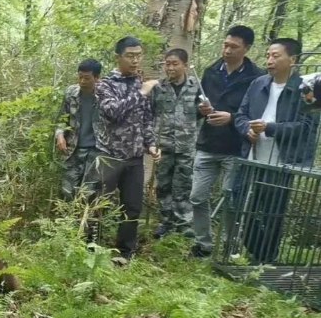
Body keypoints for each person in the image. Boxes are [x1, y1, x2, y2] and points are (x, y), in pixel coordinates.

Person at [233, 38, 318, 263]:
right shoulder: (258, 83)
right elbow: (241, 115)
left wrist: (270, 128)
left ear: (293, 59)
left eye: (276, 56)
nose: (269, 60)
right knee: (238, 202)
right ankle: (260, 253)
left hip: (282, 161)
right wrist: (246, 130)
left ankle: (265, 259)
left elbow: (307, 127)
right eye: (268, 55)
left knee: (272, 212)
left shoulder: (306, 89)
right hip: (251, 156)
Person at [189, 26, 265, 258]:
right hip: (208, 144)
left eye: (234, 47)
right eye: (225, 45)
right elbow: (197, 104)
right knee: (197, 197)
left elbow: (257, 113)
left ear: (247, 48)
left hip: (236, 146)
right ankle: (203, 244)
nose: (227, 50)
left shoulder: (257, 77)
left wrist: (231, 118)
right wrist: (201, 108)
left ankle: (228, 247)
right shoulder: (211, 71)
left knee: (231, 198)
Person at [86, 36, 161, 261]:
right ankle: (90, 249)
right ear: (118, 57)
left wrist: (151, 144)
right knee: (98, 204)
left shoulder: (141, 82)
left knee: (132, 208)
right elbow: (113, 112)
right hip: (109, 155)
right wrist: (141, 93)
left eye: (138, 55)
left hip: (135, 158)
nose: (135, 60)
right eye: (130, 55)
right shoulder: (105, 84)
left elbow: (146, 119)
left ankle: (123, 254)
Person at [150, 49, 201, 238]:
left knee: (184, 184)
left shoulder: (196, 86)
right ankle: (166, 221)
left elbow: (203, 113)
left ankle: (184, 223)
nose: (170, 67)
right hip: (163, 144)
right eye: (167, 63)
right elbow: (150, 114)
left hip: (186, 145)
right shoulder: (158, 88)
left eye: (175, 64)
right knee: (163, 185)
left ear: (185, 65)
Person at [55, 59, 103, 200]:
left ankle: (85, 222)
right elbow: (61, 119)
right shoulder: (71, 93)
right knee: (67, 192)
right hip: (73, 150)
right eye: (80, 77)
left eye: (87, 78)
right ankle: (67, 220)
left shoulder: (105, 97)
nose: (82, 81)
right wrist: (60, 135)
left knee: (88, 194)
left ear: (96, 78)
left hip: (96, 152)